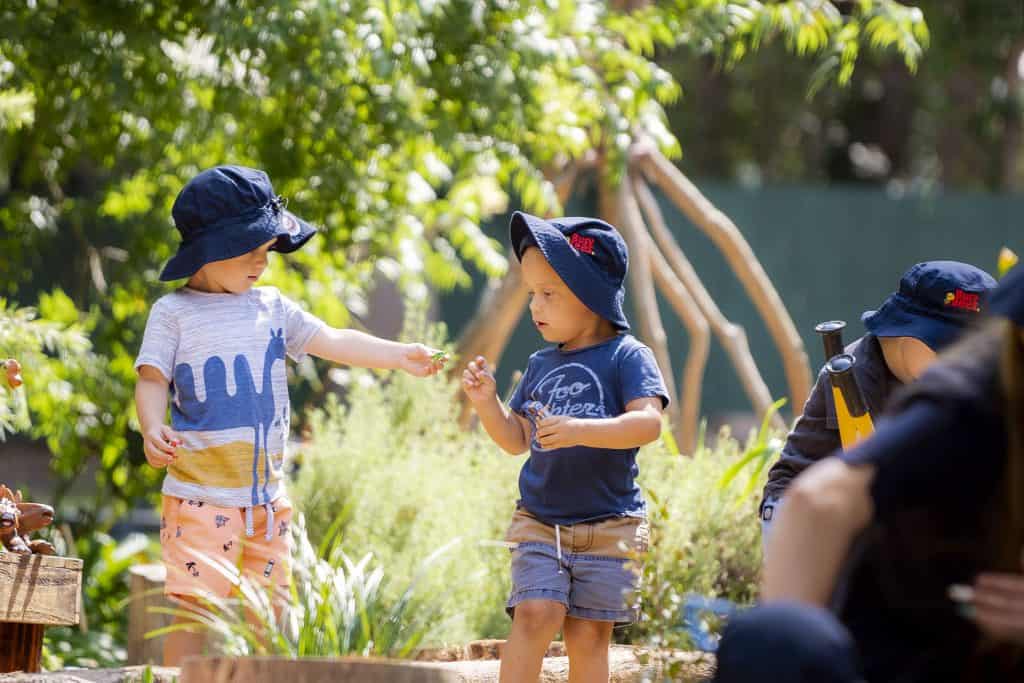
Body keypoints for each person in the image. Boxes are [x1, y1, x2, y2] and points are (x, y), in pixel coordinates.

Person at [134, 165, 447, 666]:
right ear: (208, 250)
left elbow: (335, 340)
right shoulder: (174, 313)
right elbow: (151, 379)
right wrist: (152, 427)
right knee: (194, 609)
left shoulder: (273, 307)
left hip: (266, 499)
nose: (263, 262)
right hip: (198, 495)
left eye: (268, 251)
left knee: (274, 612)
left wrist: (399, 355)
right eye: (251, 251)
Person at [714, 263, 1024, 683]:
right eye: (945, 348)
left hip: (880, 508)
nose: (961, 363)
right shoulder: (860, 373)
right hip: (797, 502)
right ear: (902, 333)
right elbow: (823, 498)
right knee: (812, 628)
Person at [461, 211, 669, 683]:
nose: (536, 306)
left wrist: (579, 430)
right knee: (535, 614)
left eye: (549, 293)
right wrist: (486, 403)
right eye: (533, 292)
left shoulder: (628, 356)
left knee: (589, 639)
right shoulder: (539, 364)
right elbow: (516, 440)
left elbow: (648, 424)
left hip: (612, 525)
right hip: (541, 522)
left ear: (592, 298)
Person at [760, 261, 997, 541]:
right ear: (907, 333)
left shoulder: (929, 379)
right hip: (801, 511)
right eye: (949, 353)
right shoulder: (857, 375)